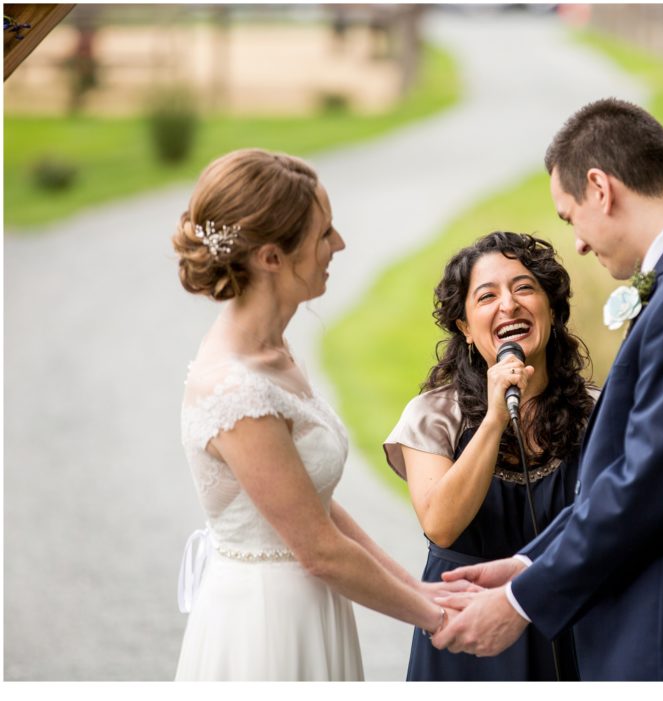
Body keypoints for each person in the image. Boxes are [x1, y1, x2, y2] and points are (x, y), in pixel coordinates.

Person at [431, 98, 663, 680]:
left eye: (570, 216)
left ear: (600, 187)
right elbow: (626, 476)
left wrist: (522, 602)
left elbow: (644, 485)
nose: (574, 242)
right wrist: (528, 562)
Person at [171, 148, 456, 680]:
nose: (339, 245)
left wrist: (419, 588)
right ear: (272, 257)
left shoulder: (274, 353)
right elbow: (319, 551)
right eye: (324, 233)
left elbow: (315, 505)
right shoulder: (235, 390)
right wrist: (438, 621)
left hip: (312, 602)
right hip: (266, 623)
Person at [384, 231, 596, 680]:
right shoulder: (432, 415)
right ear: (464, 325)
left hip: (569, 624)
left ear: (552, 309)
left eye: (524, 288)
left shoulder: (598, 413)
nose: (509, 305)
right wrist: (495, 417)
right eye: (487, 296)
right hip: (465, 640)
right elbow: (441, 525)